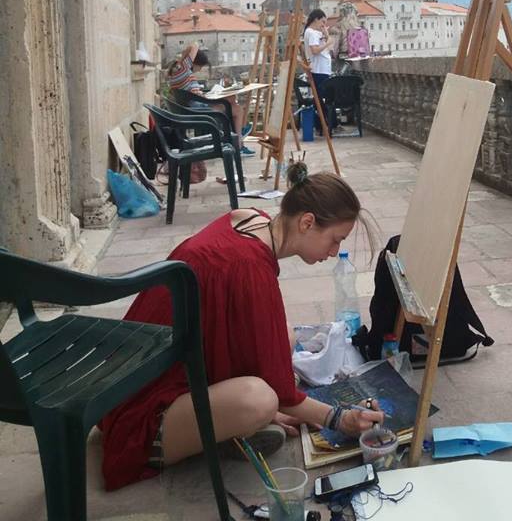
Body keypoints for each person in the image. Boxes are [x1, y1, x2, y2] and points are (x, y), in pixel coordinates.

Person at [99, 162, 382, 491]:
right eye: (335, 240)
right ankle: (209, 437)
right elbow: (281, 391)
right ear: (307, 222)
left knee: (284, 338)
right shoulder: (251, 266)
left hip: (136, 377)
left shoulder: (250, 219)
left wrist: (285, 403)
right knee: (261, 400)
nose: (334, 252)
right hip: (140, 414)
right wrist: (339, 419)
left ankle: (228, 429)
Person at [168, 42, 252, 150]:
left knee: (231, 100)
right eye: (200, 66)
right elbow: (195, 45)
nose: (200, 69)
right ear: (194, 62)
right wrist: (186, 55)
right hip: (197, 110)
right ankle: (239, 141)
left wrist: (201, 94)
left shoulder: (177, 73)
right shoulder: (184, 69)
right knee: (238, 109)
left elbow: (189, 93)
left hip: (194, 106)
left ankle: (238, 134)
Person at [303, 8, 336, 133]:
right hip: (319, 70)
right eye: (322, 22)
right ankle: (325, 124)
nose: (323, 25)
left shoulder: (313, 32)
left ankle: (323, 124)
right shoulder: (311, 32)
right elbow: (315, 50)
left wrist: (326, 35)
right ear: (316, 19)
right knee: (322, 99)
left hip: (322, 69)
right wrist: (327, 43)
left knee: (321, 98)